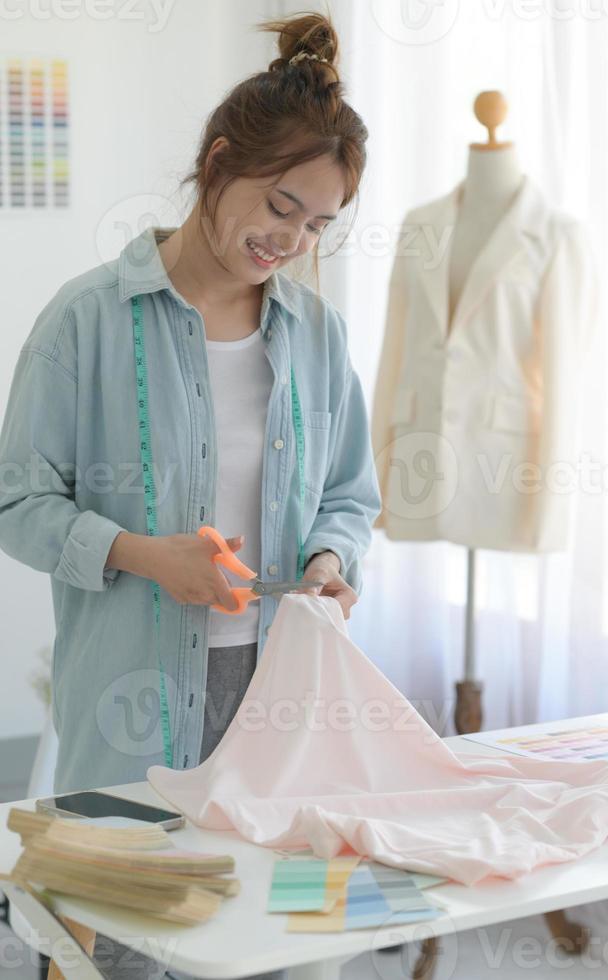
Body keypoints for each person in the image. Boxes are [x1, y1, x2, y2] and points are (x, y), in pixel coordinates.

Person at [0, 10, 381, 979]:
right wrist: (140, 552)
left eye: (318, 223)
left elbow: (347, 490)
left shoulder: (314, 333)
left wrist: (333, 558)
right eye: (280, 204)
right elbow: (17, 500)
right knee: (135, 938)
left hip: (283, 686)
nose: (290, 239)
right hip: (132, 691)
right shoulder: (88, 317)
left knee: (290, 931)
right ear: (219, 163)